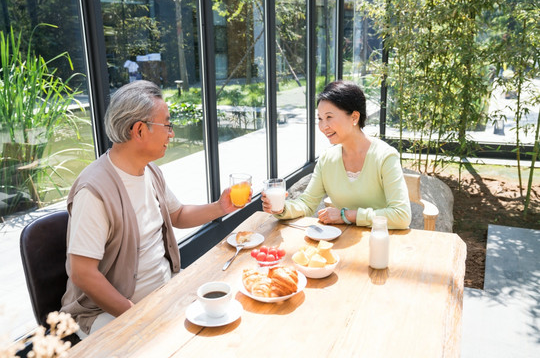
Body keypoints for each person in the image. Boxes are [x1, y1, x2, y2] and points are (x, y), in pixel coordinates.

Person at [60, 80, 249, 338]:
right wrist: (136, 315)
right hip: (108, 313)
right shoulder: (94, 192)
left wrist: (220, 207)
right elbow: (82, 274)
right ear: (139, 130)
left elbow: (178, 215)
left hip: (163, 294)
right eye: (167, 124)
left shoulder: (149, 170)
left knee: (229, 315)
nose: (171, 133)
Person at [262, 80, 411, 229]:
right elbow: (306, 204)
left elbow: (401, 215)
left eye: (329, 117)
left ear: (354, 118)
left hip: (381, 240)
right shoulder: (327, 159)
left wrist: (347, 215)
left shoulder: (385, 156)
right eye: (320, 119)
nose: (323, 126)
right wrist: (281, 208)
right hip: (343, 240)